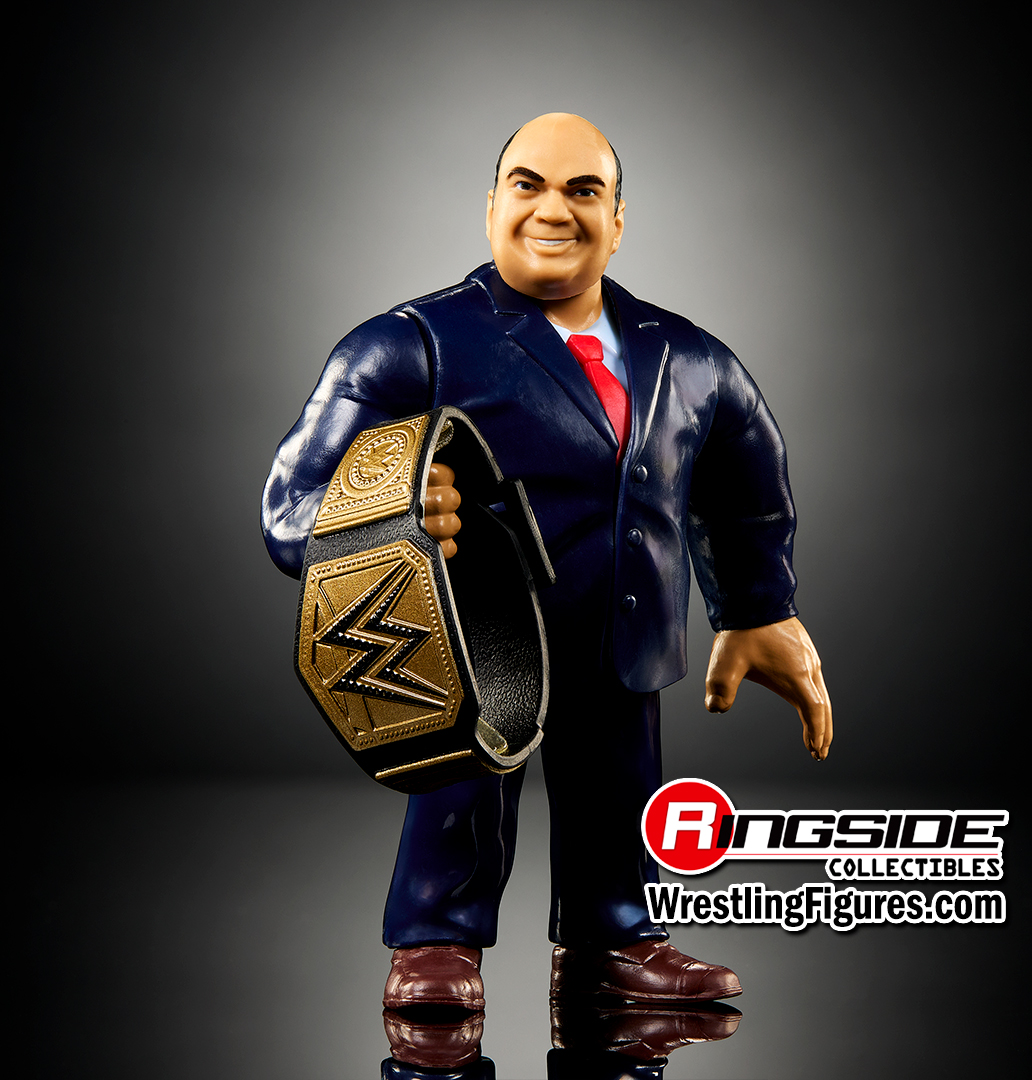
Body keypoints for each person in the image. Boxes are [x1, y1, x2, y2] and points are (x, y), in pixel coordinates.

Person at [262, 113, 832, 1010]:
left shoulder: (683, 353)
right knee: (459, 796)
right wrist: (390, 514)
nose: (553, 209)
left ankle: (616, 939)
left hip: (625, 637)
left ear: (618, 219)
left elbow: (745, 469)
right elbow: (293, 504)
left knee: (621, 792)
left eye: (583, 189)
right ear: (491, 205)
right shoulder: (413, 344)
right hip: (474, 643)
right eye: (528, 185)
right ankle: (436, 941)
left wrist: (759, 606)